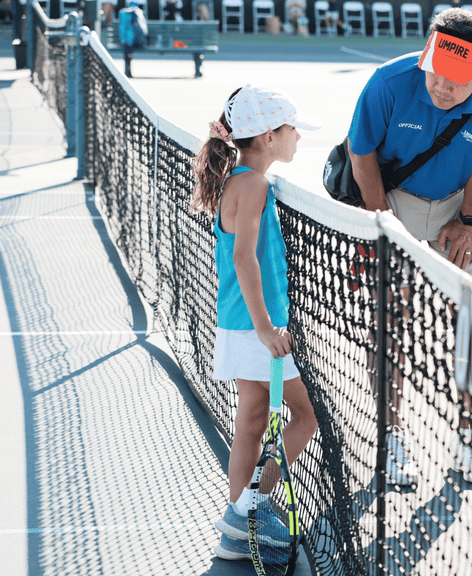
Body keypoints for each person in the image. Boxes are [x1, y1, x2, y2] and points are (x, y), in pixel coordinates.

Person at [346, 7, 472, 487]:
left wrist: (469, 221)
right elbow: (360, 152)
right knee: (390, 325)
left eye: (457, 80)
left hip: (458, 209)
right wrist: (378, 222)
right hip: (390, 203)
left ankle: (466, 446)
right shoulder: (389, 82)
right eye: (436, 73)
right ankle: (392, 442)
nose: (441, 87)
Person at [191, 84, 322, 562]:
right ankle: (249, 508)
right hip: (253, 326)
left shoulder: (239, 180)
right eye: (292, 131)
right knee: (306, 414)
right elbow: (244, 258)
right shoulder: (254, 185)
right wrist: (267, 328)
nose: (297, 139)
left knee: (250, 417)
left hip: (240, 322)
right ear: (268, 136)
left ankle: (239, 516)